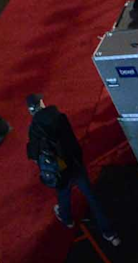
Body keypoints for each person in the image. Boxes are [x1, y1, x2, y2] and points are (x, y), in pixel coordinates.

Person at [25, 94, 119, 245]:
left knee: (63, 193)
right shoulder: (59, 116)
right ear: (41, 103)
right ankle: (110, 233)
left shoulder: (34, 127)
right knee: (92, 197)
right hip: (73, 163)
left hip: (59, 167)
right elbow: (71, 140)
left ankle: (67, 219)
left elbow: (33, 153)